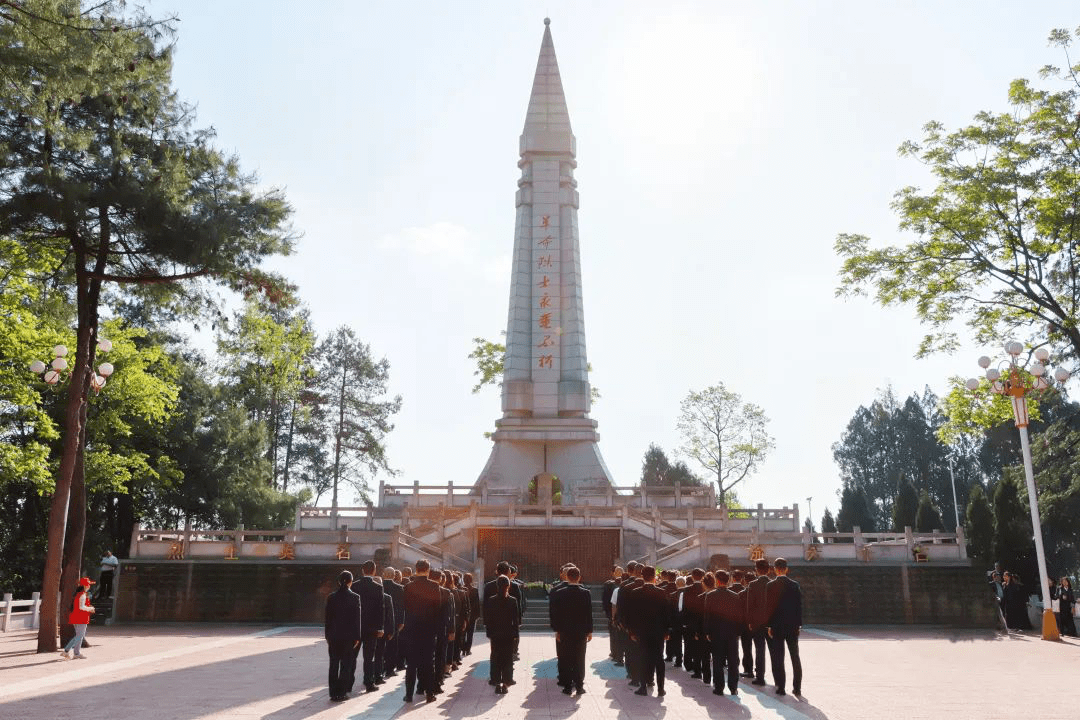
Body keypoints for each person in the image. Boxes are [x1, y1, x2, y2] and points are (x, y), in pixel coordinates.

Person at [401, 559, 441, 703]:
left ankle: (409, 694)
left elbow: (405, 607)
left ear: (415, 569)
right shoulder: (434, 586)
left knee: (411, 664)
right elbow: (438, 611)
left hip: (412, 630)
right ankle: (429, 694)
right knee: (428, 663)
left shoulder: (408, 587)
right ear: (428, 570)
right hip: (429, 630)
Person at [629, 565, 671, 697]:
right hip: (658, 631)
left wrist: (632, 632)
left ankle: (643, 687)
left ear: (642, 576)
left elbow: (633, 616)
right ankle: (661, 688)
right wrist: (666, 632)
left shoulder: (635, 592)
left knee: (643, 658)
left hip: (642, 632)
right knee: (659, 659)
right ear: (654, 577)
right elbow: (666, 614)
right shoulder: (662, 592)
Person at [551, 566, 592, 695]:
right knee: (580, 658)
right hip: (580, 632)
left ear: (567, 577)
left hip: (565, 631)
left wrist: (557, 630)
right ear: (579, 577)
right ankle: (579, 686)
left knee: (567, 658)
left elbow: (556, 614)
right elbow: (588, 614)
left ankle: (568, 686)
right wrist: (589, 631)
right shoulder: (586, 593)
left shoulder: (560, 593)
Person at [765, 558, 802, 697]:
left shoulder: (770, 585)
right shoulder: (794, 585)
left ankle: (781, 687)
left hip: (777, 626)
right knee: (795, 657)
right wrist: (799, 625)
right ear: (786, 569)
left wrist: (769, 625)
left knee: (779, 657)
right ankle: (797, 688)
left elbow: (769, 608)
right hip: (792, 626)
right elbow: (798, 607)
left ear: (775, 569)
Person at [324, 570, 362, 702]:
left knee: (333, 664)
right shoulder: (355, 597)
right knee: (346, 664)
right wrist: (357, 637)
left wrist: (327, 636)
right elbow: (357, 620)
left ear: (339, 581)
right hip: (348, 637)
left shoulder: (331, 597)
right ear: (350, 582)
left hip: (333, 636)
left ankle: (333, 692)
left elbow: (327, 619)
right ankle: (342, 692)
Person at [703, 570, 743, 696]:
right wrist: (738, 632)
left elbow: (707, 616)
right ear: (728, 580)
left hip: (716, 633)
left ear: (717, 580)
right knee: (732, 662)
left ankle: (719, 687)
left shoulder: (710, 596)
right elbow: (739, 617)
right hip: (732, 633)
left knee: (717, 661)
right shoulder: (735, 596)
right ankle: (733, 687)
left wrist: (707, 631)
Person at [484, 574, 520, 695]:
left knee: (495, 658)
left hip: (495, 634)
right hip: (508, 634)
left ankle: (496, 682)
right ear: (508, 586)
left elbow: (488, 619)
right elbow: (516, 620)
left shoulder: (491, 600)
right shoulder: (512, 601)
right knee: (508, 659)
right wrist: (516, 634)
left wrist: (489, 633)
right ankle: (506, 683)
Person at [354, 560, 385, 692]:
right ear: (374, 571)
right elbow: (380, 609)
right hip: (372, 627)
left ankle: (347, 682)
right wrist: (381, 627)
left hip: (357, 627)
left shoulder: (354, 586)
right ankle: (369, 683)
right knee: (369, 657)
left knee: (352, 656)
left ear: (362, 570)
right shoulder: (378, 587)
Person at [745, 559, 771, 686]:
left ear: (756, 570)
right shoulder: (773, 584)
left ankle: (760, 676)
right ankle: (778, 677)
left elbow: (750, 606)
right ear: (769, 570)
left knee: (759, 650)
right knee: (775, 651)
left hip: (757, 622)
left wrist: (750, 621)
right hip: (771, 623)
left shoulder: (753, 584)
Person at [60, 577, 95, 660]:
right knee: (79, 636)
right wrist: (90, 608)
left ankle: (76, 653)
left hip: (76, 617)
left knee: (78, 636)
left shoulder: (78, 594)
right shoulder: (82, 594)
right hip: (81, 617)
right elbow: (81, 607)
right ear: (85, 586)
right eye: (89, 584)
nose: (89, 586)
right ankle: (66, 651)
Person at [381, 567, 405, 677]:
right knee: (392, 646)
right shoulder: (400, 588)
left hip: (380, 620)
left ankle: (381, 668)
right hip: (394, 621)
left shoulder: (379, 587)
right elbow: (401, 607)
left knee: (380, 647)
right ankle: (390, 669)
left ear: (384, 575)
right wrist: (401, 622)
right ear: (394, 576)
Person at [602, 565, 622, 663]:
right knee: (617, 635)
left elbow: (605, 601)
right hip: (618, 614)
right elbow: (606, 600)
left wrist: (609, 614)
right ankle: (617, 653)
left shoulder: (610, 585)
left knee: (614, 635)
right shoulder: (610, 585)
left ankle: (615, 653)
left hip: (614, 614)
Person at [463, 573, 481, 655]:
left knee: (463, 633)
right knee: (470, 633)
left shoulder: (461, 589)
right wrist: (477, 615)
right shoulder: (475, 590)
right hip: (472, 615)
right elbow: (477, 604)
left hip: (463, 615)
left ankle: (463, 649)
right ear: (471, 580)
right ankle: (468, 649)